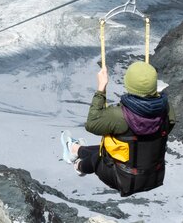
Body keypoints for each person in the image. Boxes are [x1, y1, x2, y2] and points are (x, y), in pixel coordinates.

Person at [62, 61, 176, 196]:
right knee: (111, 150)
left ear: (129, 84)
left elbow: (91, 124)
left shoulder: (119, 115)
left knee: (99, 156)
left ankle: (78, 166)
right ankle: (74, 149)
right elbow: (166, 128)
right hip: (153, 176)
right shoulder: (166, 110)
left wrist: (101, 88)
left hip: (124, 180)